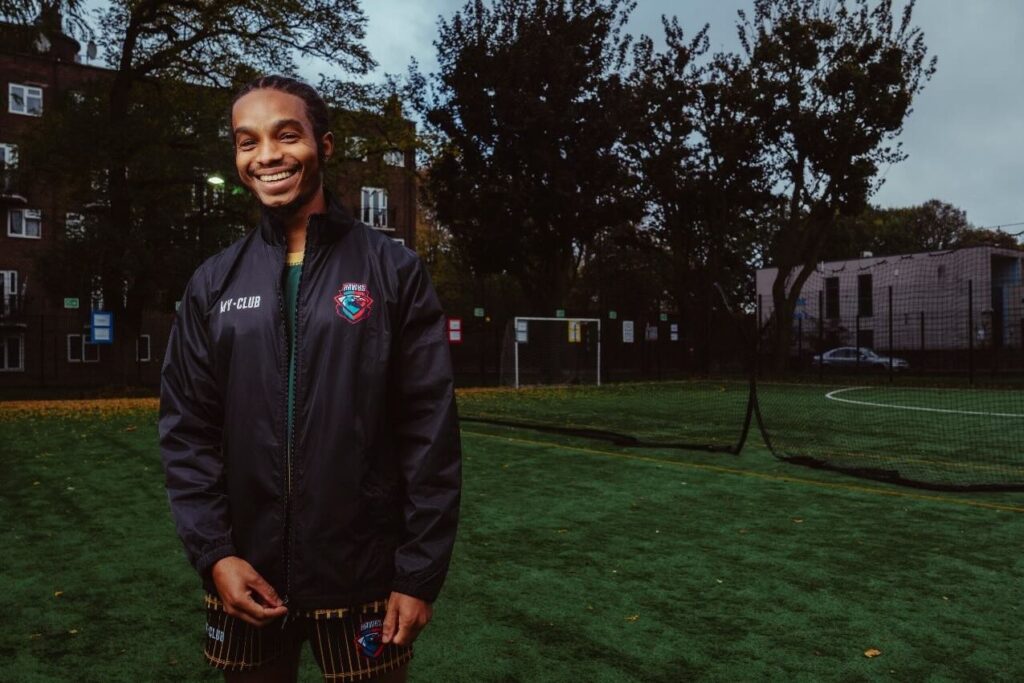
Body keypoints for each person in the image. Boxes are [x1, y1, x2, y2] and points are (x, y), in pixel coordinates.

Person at [159, 75, 461, 682]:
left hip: (365, 579)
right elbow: (187, 433)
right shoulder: (212, 283)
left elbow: (429, 432)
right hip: (247, 575)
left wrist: (417, 573)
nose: (266, 155)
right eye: (247, 142)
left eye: (286, 135)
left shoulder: (393, 270)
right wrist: (216, 554)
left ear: (324, 146)